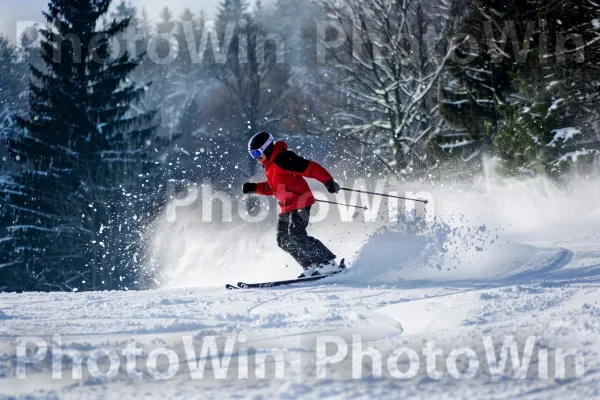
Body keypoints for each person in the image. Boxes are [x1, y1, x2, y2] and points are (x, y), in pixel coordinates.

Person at [243, 132, 342, 278]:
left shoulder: (283, 159)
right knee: (283, 240)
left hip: (301, 201)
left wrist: (328, 181)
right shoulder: (268, 166)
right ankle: (310, 264)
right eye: (252, 154)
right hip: (286, 207)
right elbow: (275, 188)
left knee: (296, 235)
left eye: (257, 152)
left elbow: (310, 168)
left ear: (266, 148)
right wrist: (255, 188)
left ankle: (328, 262)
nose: (256, 157)